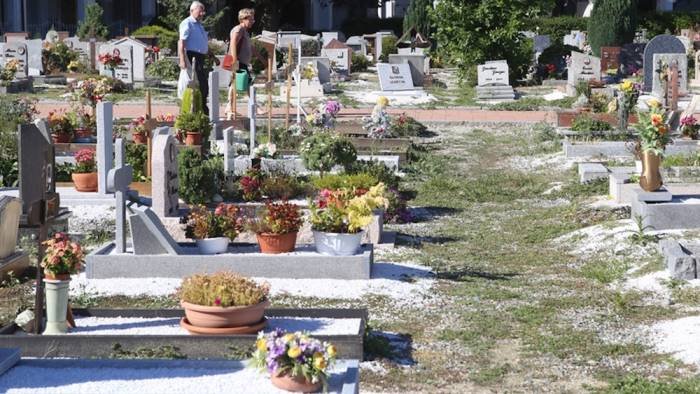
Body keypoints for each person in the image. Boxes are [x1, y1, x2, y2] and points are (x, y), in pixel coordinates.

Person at [178, 1, 219, 114]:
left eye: (203, 11)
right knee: (198, 83)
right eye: (200, 11)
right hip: (191, 56)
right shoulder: (187, 23)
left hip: (200, 57)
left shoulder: (200, 25)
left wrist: (213, 57)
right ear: (192, 10)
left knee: (203, 84)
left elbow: (203, 44)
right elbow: (182, 43)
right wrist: (182, 59)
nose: (202, 13)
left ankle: (201, 108)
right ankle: (199, 110)